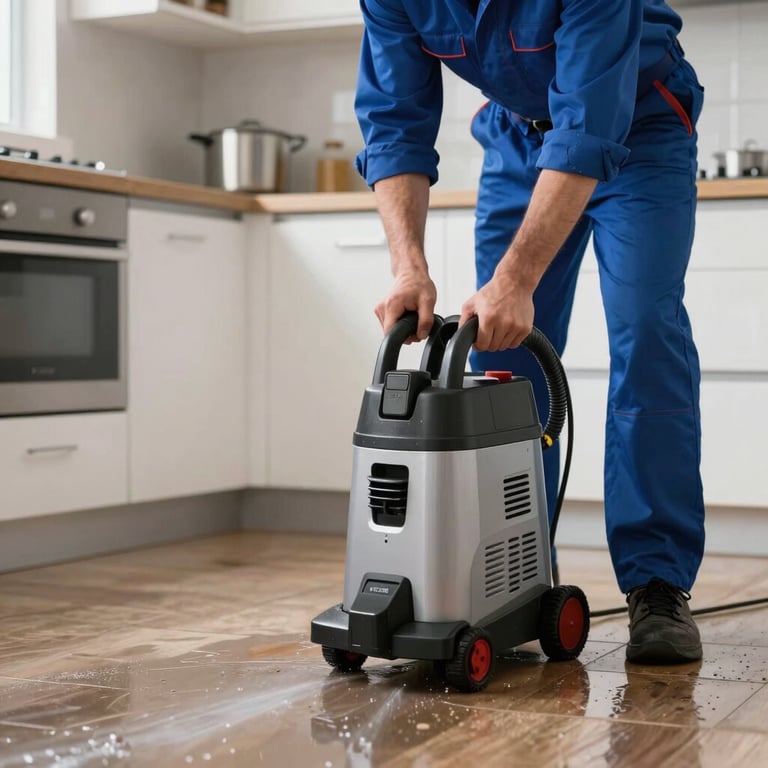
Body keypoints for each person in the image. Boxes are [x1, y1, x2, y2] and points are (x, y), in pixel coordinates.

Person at [353, 0, 705, 665]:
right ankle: (510, 576)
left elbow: (590, 119)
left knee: (646, 334)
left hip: (640, 125)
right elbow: (395, 121)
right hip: (519, 139)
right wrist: (409, 267)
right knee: (506, 363)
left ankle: (657, 583)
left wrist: (517, 279)